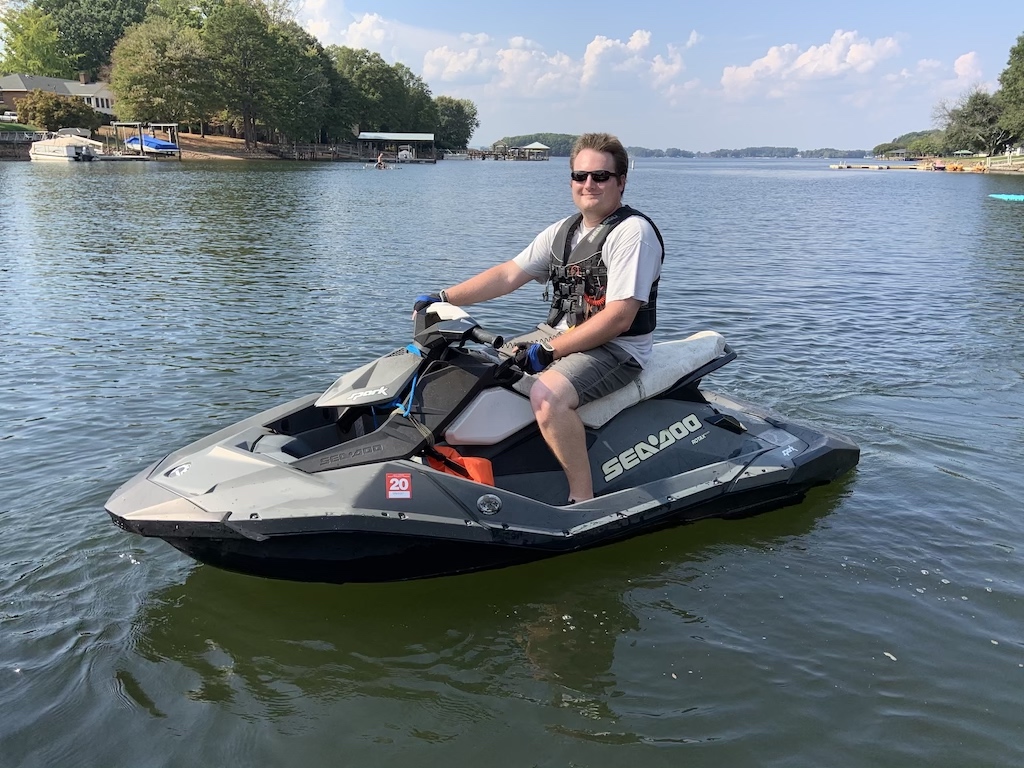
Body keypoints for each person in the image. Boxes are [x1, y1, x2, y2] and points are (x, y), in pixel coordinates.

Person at [413, 132, 664, 504]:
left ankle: (582, 499)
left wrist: (549, 351)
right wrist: (443, 297)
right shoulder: (564, 233)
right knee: (476, 368)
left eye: (600, 176)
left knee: (548, 397)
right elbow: (507, 275)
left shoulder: (632, 234)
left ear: (621, 182)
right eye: (580, 176)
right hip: (558, 335)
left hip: (616, 350)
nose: (589, 184)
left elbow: (618, 319)